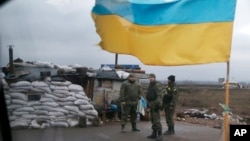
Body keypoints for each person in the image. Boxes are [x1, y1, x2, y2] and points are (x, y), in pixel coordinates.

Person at [146, 73, 163, 141]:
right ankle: (154, 133)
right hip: (151, 104)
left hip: (156, 105)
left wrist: (158, 105)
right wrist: (148, 104)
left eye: (152, 77)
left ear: (154, 78)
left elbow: (160, 95)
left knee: (156, 120)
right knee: (153, 120)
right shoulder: (150, 85)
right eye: (150, 77)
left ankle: (160, 134)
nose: (150, 78)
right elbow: (149, 95)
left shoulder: (157, 84)